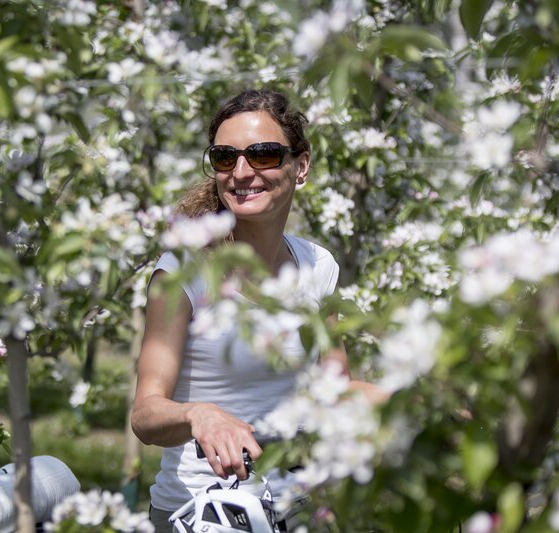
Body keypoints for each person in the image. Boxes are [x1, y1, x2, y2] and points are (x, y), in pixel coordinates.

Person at [131, 88, 380, 532]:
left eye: (263, 154)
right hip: (202, 514)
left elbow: (335, 390)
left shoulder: (317, 266)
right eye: (226, 158)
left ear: (300, 165)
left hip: (299, 508)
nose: (242, 172)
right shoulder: (182, 273)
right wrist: (197, 414)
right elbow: (146, 415)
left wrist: (422, 397)